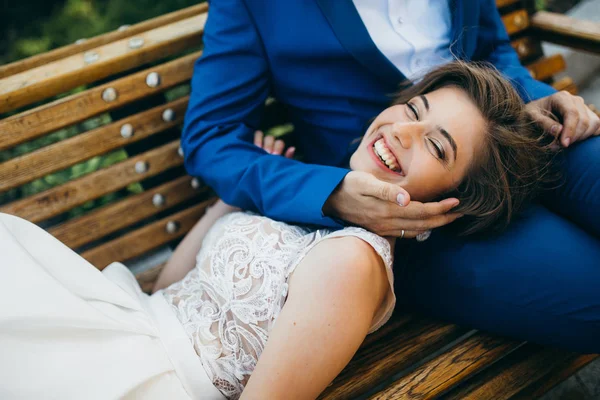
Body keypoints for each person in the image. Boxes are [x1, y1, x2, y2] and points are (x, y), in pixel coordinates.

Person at [0, 63, 556, 399]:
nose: (403, 131)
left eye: (436, 145)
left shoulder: (353, 261)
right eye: (412, 107)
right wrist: (230, 201)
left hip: (143, 377)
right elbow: (165, 292)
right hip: (129, 323)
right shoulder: (306, 199)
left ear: (452, 203)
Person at [180, 0, 600, 353]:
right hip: (409, 216)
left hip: (520, 133)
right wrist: (331, 193)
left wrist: (536, 98)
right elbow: (210, 137)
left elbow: (491, 49)